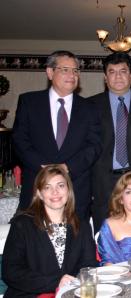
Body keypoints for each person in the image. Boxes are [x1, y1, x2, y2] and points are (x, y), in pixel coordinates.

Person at [12, 50, 102, 220]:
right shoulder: (29, 102)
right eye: (65, 69)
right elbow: (19, 141)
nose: (72, 75)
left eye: (75, 70)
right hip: (36, 190)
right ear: (50, 72)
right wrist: (45, 168)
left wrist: (67, 168)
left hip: (76, 193)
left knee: (74, 245)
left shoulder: (90, 108)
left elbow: (94, 145)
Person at [1, 165, 97, 297]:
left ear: (68, 190)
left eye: (60, 185)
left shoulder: (82, 225)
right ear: (39, 194)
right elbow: (11, 272)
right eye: (47, 187)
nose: (55, 192)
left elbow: (89, 266)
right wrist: (56, 282)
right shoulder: (22, 224)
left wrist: (72, 283)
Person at [89, 52, 131, 233]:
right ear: (105, 78)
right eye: (112, 72)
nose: (118, 76)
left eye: (123, 71)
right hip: (102, 184)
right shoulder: (89, 106)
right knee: (104, 238)